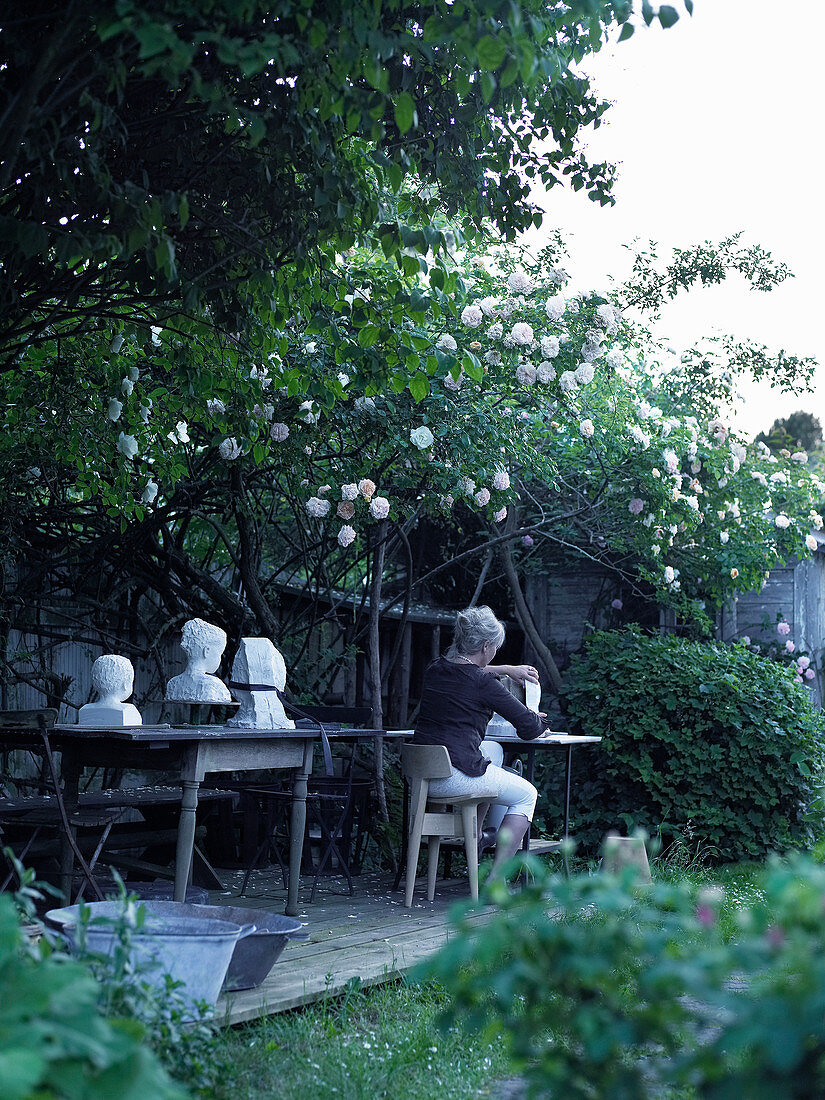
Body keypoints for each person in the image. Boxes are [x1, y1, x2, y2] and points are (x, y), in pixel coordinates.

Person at [413, 605, 545, 873]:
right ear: (486, 646)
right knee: (527, 795)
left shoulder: (435, 669)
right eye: (495, 647)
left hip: (421, 776)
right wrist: (535, 714)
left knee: (492, 750)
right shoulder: (483, 684)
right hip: (453, 777)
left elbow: (467, 670)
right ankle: (496, 881)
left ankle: (475, 840)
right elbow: (530, 728)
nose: (495, 651)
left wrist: (507, 669)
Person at [165, 618, 232, 702]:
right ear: (206, 651)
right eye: (219, 653)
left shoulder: (172, 684)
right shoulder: (213, 685)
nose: (220, 659)